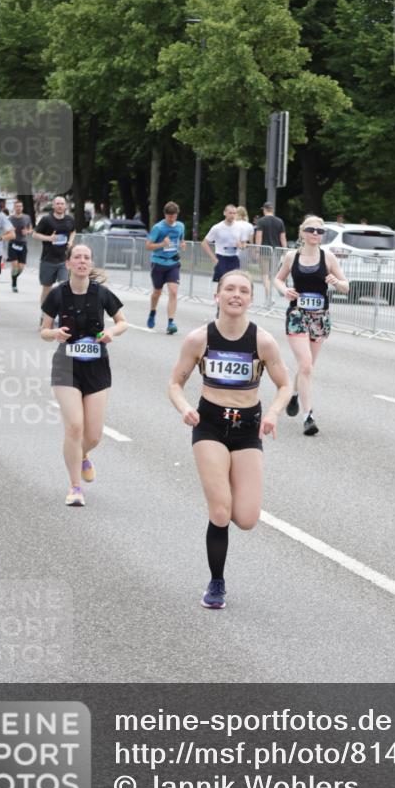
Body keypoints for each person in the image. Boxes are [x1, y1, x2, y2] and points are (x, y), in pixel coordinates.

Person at [168, 269, 291, 609]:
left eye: (244, 291)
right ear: (217, 295)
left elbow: (285, 384)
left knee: (247, 519)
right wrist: (184, 408)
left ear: (250, 299)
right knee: (221, 511)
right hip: (209, 426)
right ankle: (216, 583)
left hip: (248, 429)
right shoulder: (199, 339)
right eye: (230, 289)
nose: (236, 295)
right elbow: (175, 383)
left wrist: (273, 413)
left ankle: (225, 493)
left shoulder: (263, 342)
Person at [40, 244, 127, 506]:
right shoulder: (57, 294)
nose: (82, 261)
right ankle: (75, 487)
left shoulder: (101, 293)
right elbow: (44, 330)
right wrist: (54, 334)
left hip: (97, 366)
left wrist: (111, 332)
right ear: (68, 264)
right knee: (75, 426)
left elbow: (122, 322)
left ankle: (82, 454)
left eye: (86, 258)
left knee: (93, 435)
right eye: (77, 257)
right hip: (66, 365)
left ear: (90, 264)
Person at [273, 215, 349, 436]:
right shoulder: (291, 257)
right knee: (305, 365)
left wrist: (336, 282)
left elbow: (346, 286)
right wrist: (284, 290)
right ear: (302, 232)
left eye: (320, 231)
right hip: (297, 315)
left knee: (307, 367)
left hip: (319, 318)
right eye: (311, 230)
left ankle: (295, 394)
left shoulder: (328, 258)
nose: (315, 234)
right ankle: (308, 416)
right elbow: (278, 279)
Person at [145, 201, 186, 334]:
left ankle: (171, 323)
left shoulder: (180, 226)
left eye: (174, 216)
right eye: (169, 217)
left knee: (173, 292)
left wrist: (182, 244)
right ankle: (152, 312)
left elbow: (181, 239)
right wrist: (162, 244)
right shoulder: (158, 228)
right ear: (165, 215)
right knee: (157, 293)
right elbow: (148, 246)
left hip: (173, 263)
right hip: (158, 263)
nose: (172, 219)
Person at [33, 195, 76, 316]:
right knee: (47, 288)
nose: (60, 206)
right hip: (48, 259)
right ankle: (44, 315)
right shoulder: (47, 219)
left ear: (65, 206)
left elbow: (73, 231)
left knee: (64, 287)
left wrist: (70, 241)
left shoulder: (69, 219)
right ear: (53, 206)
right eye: (57, 203)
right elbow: (35, 235)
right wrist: (49, 238)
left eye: (62, 204)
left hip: (63, 260)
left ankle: (60, 314)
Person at [201, 204, 246, 283]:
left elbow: (244, 244)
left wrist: (241, 246)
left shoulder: (240, 227)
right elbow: (204, 243)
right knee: (222, 282)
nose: (232, 215)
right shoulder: (217, 227)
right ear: (224, 213)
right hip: (221, 257)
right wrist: (214, 258)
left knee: (235, 281)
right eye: (230, 213)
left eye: (234, 213)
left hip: (234, 258)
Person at [255, 201, 287, 299]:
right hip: (276, 252)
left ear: (264, 210)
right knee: (273, 275)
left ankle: (269, 296)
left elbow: (259, 236)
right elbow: (283, 238)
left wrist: (257, 250)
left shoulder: (261, 221)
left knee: (265, 275)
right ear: (272, 210)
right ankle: (278, 293)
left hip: (264, 251)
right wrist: (285, 251)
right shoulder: (280, 221)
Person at [8, 200, 33, 292]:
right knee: (15, 266)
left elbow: (31, 229)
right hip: (13, 243)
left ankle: (13, 277)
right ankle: (14, 284)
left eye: (20, 206)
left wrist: (27, 232)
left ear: (22, 207)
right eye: (17, 206)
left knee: (21, 268)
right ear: (14, 208)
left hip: (23, 243)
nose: (18, 208)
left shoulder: (27, 217)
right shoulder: (10, 219)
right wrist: (10, 231)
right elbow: (5, 230)